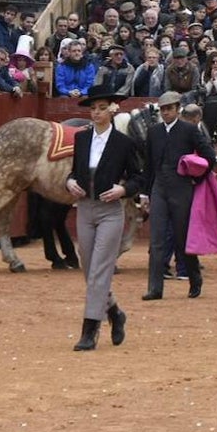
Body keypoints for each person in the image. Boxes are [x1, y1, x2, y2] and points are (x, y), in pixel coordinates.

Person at [65, 85, 144, 351]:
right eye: (93, 109)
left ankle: (90, 330)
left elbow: (138, 177)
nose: (96, 113)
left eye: (101, 108)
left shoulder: (124, 143)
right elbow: (72, 172)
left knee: (99, 269)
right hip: (85, 208)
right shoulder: (82, 139)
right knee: (88, 267)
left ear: (111, 110)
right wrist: (70, 183)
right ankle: (115, 312)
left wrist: (123, 189)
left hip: (111, 211)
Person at [140, 91, 216, 301]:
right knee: (156, 239)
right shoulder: (154, 132)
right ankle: (155, 288)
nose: (165, 113)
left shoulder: (189, 130)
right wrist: (145, 194)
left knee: (183, 238)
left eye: (169, 109)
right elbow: (148, 166)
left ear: (177, 109)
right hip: (159, 188)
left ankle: (194, 278)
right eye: (163, 109)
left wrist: (197, 180)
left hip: (182, 189)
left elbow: (209, 156)